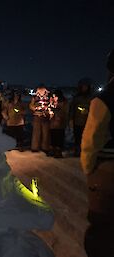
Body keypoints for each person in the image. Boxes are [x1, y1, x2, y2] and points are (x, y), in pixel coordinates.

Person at [81, 50, 114, 257]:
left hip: (108, 169)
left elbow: (91, 140)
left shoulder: (105, 99)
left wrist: (88, 167)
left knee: (103, 226)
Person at [70, 78, 93, 156]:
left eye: (86, 86)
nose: (84, 88)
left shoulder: (91, 97)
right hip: (77, 121)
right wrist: (71, 119)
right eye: (83, 86)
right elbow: (72, 108)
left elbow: (94, 108)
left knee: (87, 137)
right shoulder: (76, 98)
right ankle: (77, 150)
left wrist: (88, 111)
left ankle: (85, 151)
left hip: (88, 121)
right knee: (77, 136)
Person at [29, 84, 51, 154]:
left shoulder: (48, 98)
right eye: (40, 90)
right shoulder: (35, 98)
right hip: (37, 117)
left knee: (46, 133)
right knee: (36, 133)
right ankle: (35, 147)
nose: (41, 92)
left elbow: (51, 105)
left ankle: (45, 147)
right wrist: (35, 108)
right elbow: (31, 105)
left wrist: (47, 111)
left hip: (46, 117)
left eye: (43, 90)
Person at [49, 90, 68, 158]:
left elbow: (64, 112)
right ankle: (53, 149)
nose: (54, 98)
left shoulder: (64, 103)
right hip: (52, 123)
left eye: (55, 96)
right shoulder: (52, 102)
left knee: (59, 136)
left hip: (60, 123)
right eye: (53, 96)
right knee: (53, 136)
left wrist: (55, 110)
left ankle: (58, 151)